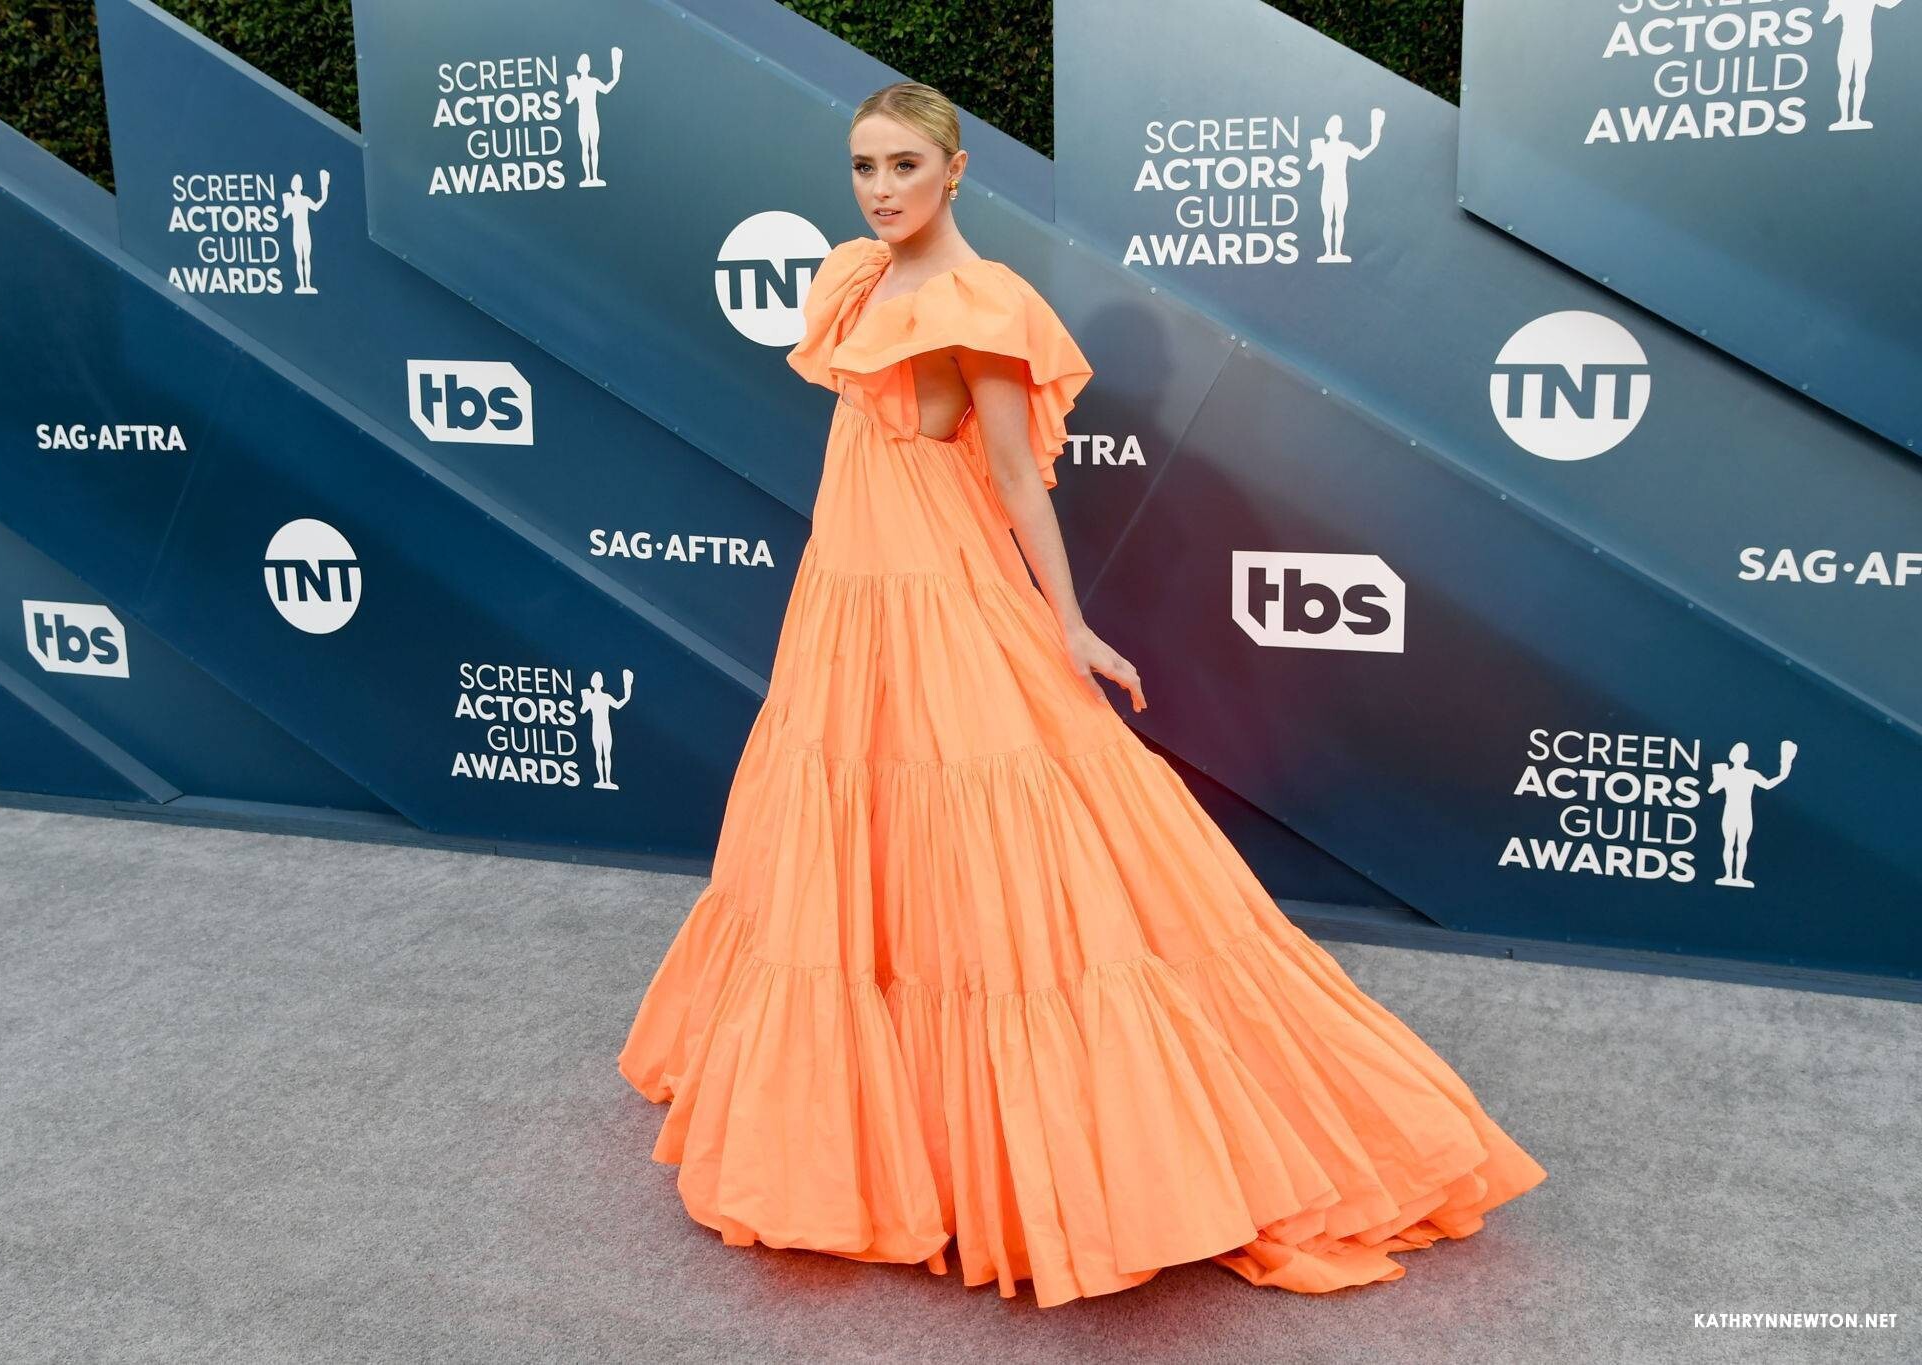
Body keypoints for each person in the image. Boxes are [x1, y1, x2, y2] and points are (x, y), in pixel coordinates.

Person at [617, 80, 1546, 1309]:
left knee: (996, 858)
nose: (881, 190)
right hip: (845, 599)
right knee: (856, 855)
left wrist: (1067, 624)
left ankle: (1052, 1144)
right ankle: (863, 1127)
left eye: (904, 166)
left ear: (955, 171)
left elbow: (1015, 477)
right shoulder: (852, 279)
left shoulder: (985, 303)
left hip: (942, 598)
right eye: (863, 167)